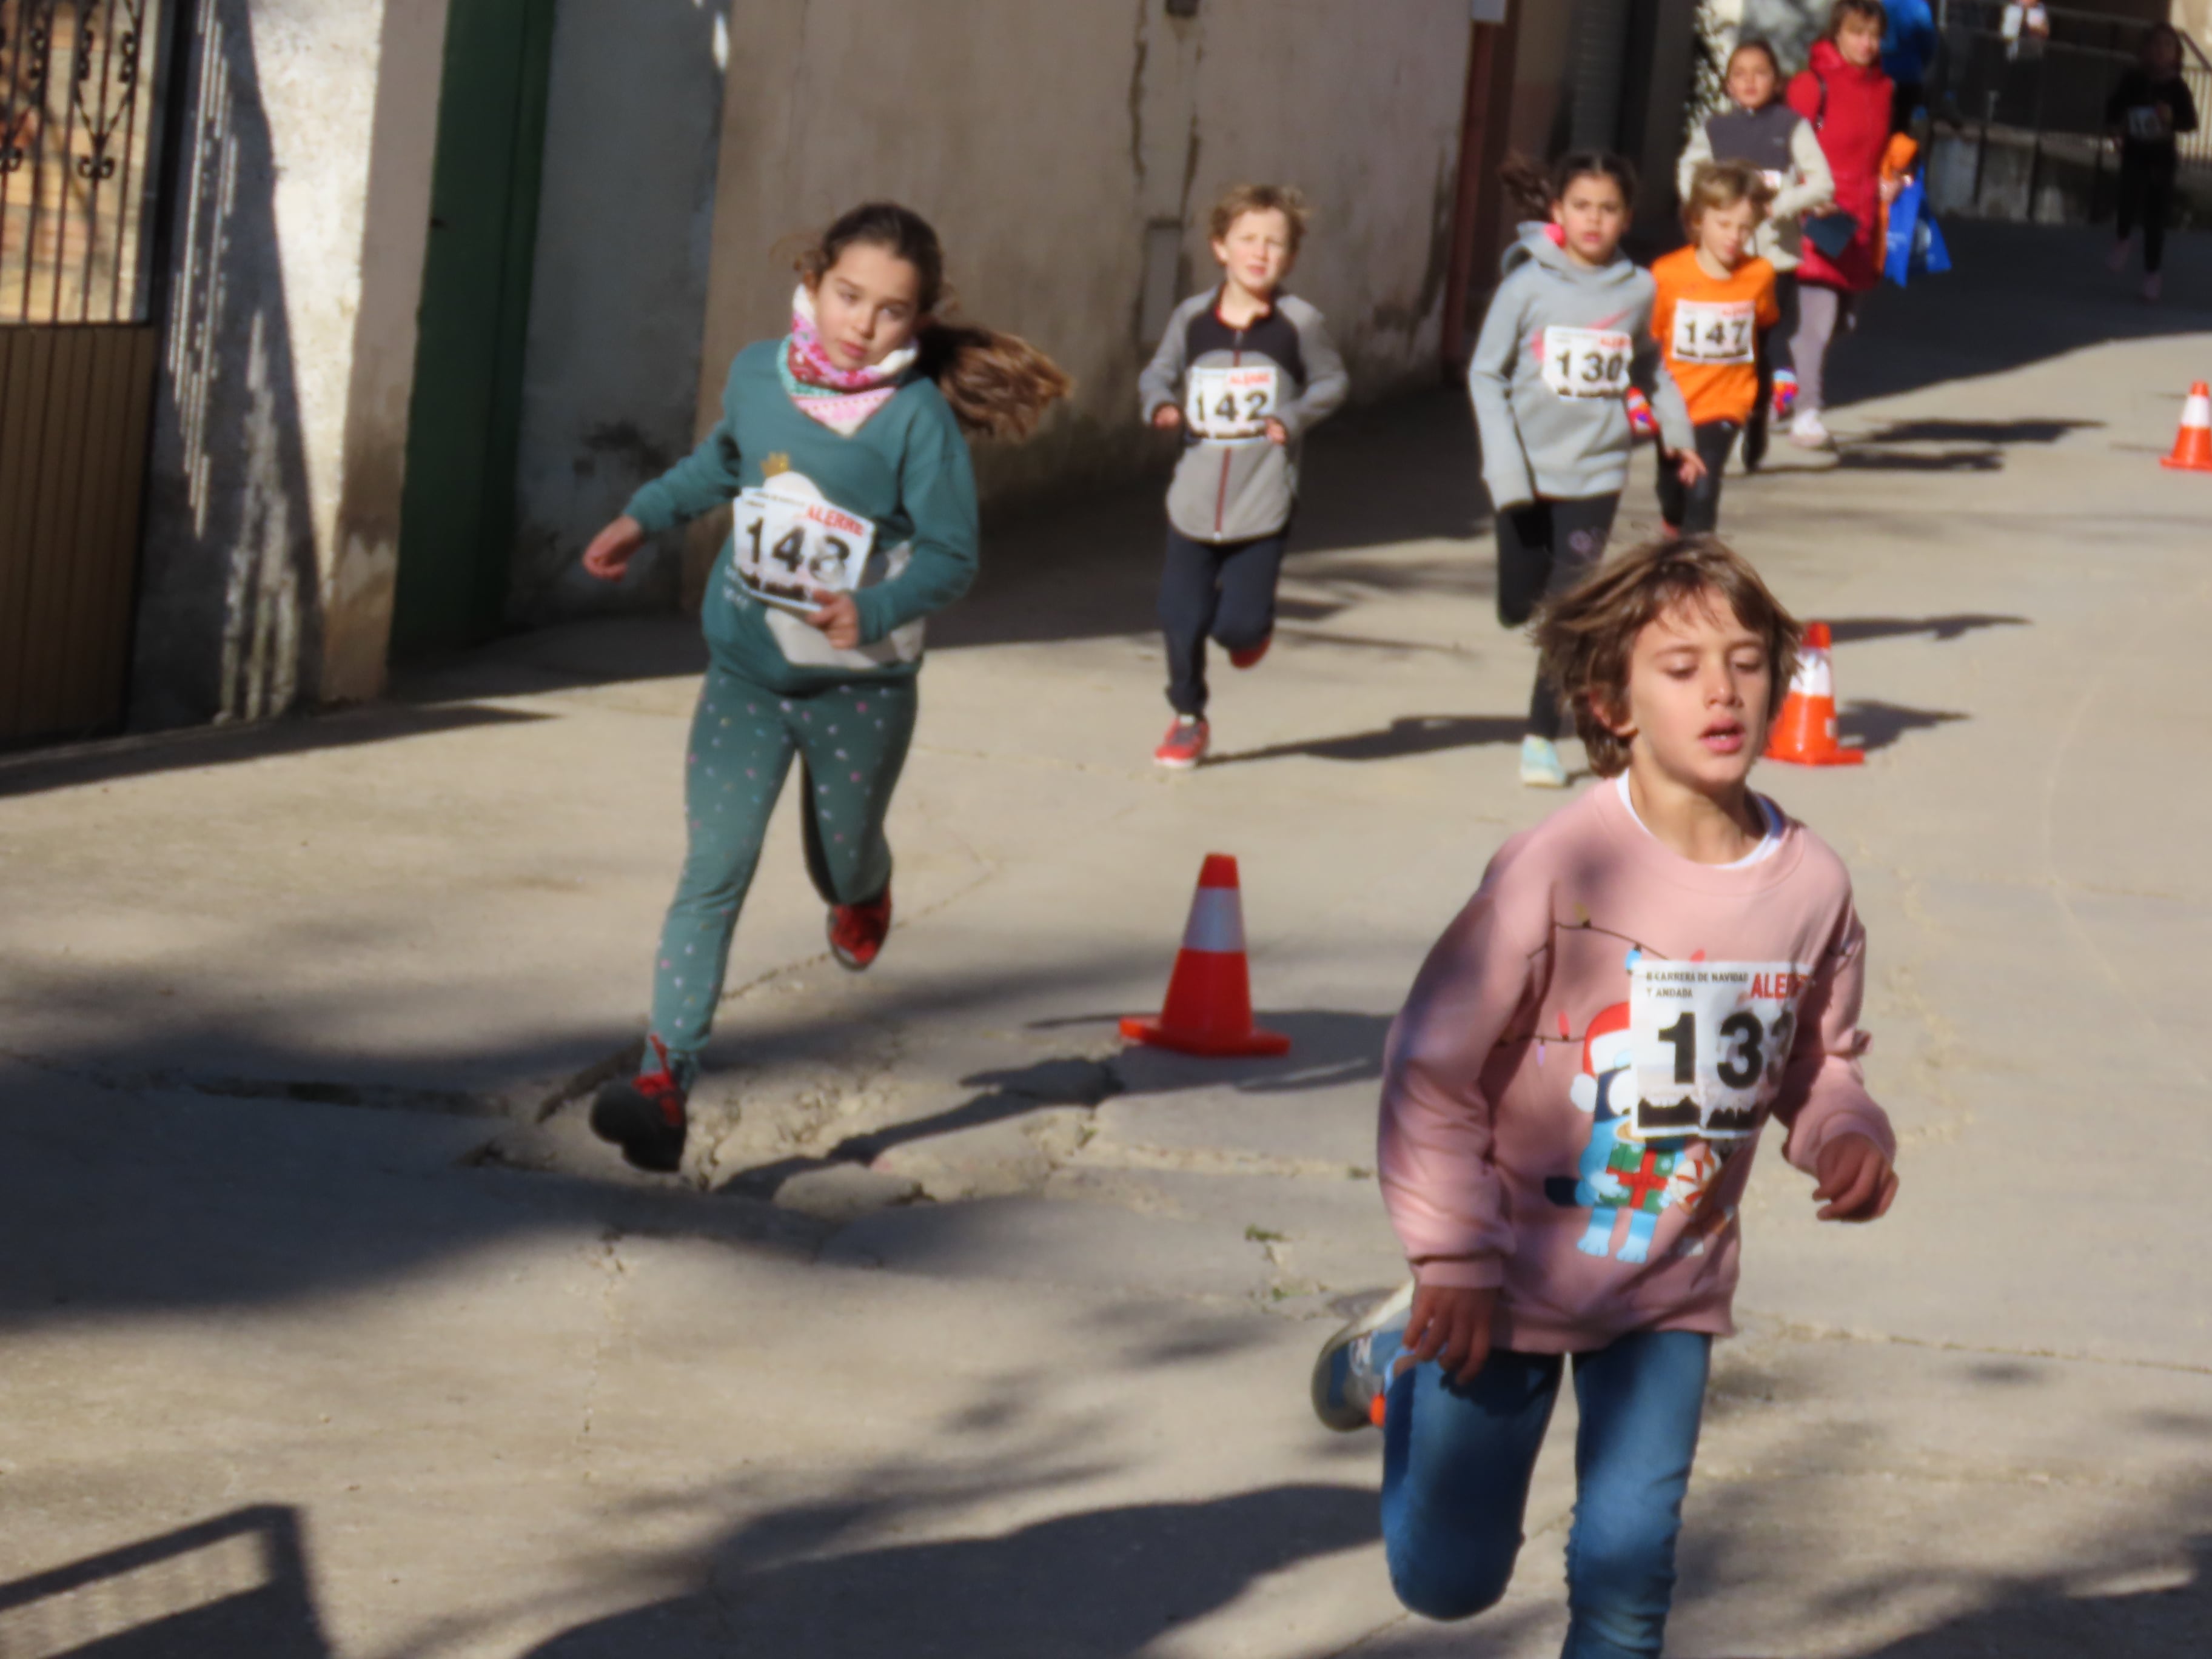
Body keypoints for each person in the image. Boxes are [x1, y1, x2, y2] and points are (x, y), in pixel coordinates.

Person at [1310, 534, 1900, 1658]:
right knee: (1446, 1581)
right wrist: (1450, 1260)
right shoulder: (1554, 865)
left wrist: (1844, 1132)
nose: (1721, 689)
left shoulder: (1811, 883)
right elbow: (1431, 1067)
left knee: (1628, 1578)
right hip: (1500, 1274)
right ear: (1610, 704)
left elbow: (1816, 1058)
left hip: (1668, 1280)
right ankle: (1392, 1361)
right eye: (1679, 669)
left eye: (1744, 659)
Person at [577, 202, 1070, 1172]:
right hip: (746, 675)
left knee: (836, 863)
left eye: (892, 312)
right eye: (849, 296)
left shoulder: (916, 418)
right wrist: (643, 519)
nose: (862, 323)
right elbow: (723, 463)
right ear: (814, 278)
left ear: (920, 321)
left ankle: (866, 889)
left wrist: (871, 610)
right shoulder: (760, 373)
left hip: (859, 690)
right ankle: (661, 1086)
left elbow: (952, 557)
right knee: (710, 873)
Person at [1468, 152, 1700, 791]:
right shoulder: (1526, 287)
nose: (1594, 219)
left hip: (1595, 475)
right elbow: (1485, 374)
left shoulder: (1638, 289)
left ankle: (1541, 733)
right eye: (1581, 206)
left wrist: (1676, 435)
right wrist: (1505, 469)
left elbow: (1649, 369)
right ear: (1558, 212)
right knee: (1522, 602)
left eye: (1608, 208)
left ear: (1627, 217)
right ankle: (1518, 603)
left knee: (1570, 609)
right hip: (1524, 476)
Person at [1138, 184, 1348, 770]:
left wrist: (1292, 415)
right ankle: (1187, 717)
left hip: (1262, 504)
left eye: (1275, 244)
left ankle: (1251, 631)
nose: (1260, 253)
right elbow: (1158, 371)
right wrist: (1158, 402)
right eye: (1247, 240)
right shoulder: (1193, 319)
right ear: (1220, 248)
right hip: (1193, 502)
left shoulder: (1299, 324)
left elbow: (1333, 383)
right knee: (1179, 617)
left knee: (1238, 628)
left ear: (1291, 257)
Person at [1676, 38, 1834, 468]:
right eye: (1739, 74)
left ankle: (1757, 418)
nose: (1750, 81)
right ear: (1727, 83)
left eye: (1760, 72)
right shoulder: (1715, 128)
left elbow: (1822, 183)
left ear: (1777, 80)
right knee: (1731, 345)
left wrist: (1776, 206)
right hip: (1722, 258)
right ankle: (1724, 421)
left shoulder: (1791, 126)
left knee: (1758, 346)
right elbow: (1688, 170)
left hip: (1774, 259)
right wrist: (1710, 209)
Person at [1786, 0, 1900, 451]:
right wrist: (1804, 199)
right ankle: (1806, 413)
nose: (1866, 44)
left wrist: (1892, 182)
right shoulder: (1811, 84)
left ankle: (1789, 377)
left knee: (1845, 321)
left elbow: (1881, 152)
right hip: (1821, 216)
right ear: (1837, 33)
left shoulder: (1885, 87)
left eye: (1873, 35)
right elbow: (1788, 148)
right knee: (1819, 318)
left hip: (1863, 220)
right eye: (1857, 33)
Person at [1652, 163, 1780, 535]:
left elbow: (1767, 321)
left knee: (1704, 488)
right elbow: (1653, 335)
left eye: (1744, 227)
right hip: (1674, 401)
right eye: (1723, 224)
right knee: (1671, 490)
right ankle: (1672, 524)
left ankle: (1695, 569)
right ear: (1697, 219)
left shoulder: (1760, 274)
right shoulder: (1668, 274)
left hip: (1726, 401)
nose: (1734, 237)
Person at [2106, 23, 2200, 304]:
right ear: (2145, 50)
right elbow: (2114, 107)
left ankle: (2152, 275)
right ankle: (2123, 238)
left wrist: (2172, 118)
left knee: (2155, 217)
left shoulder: (2177, 87)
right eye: (2156, 45)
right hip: (2135, 151)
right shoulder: (2133, 79)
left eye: (2168, 47)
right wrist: (2115, 129)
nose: (2160, 52)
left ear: (2176, 54)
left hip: (2161, 157)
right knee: (2127, 197)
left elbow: (2190, 122)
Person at [1881, 0, 1939, 135]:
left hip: (1879, 75)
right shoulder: (1918, 7)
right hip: (1908, 76)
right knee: (1901, 129)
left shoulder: (1877, 4)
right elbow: (1928, 44)